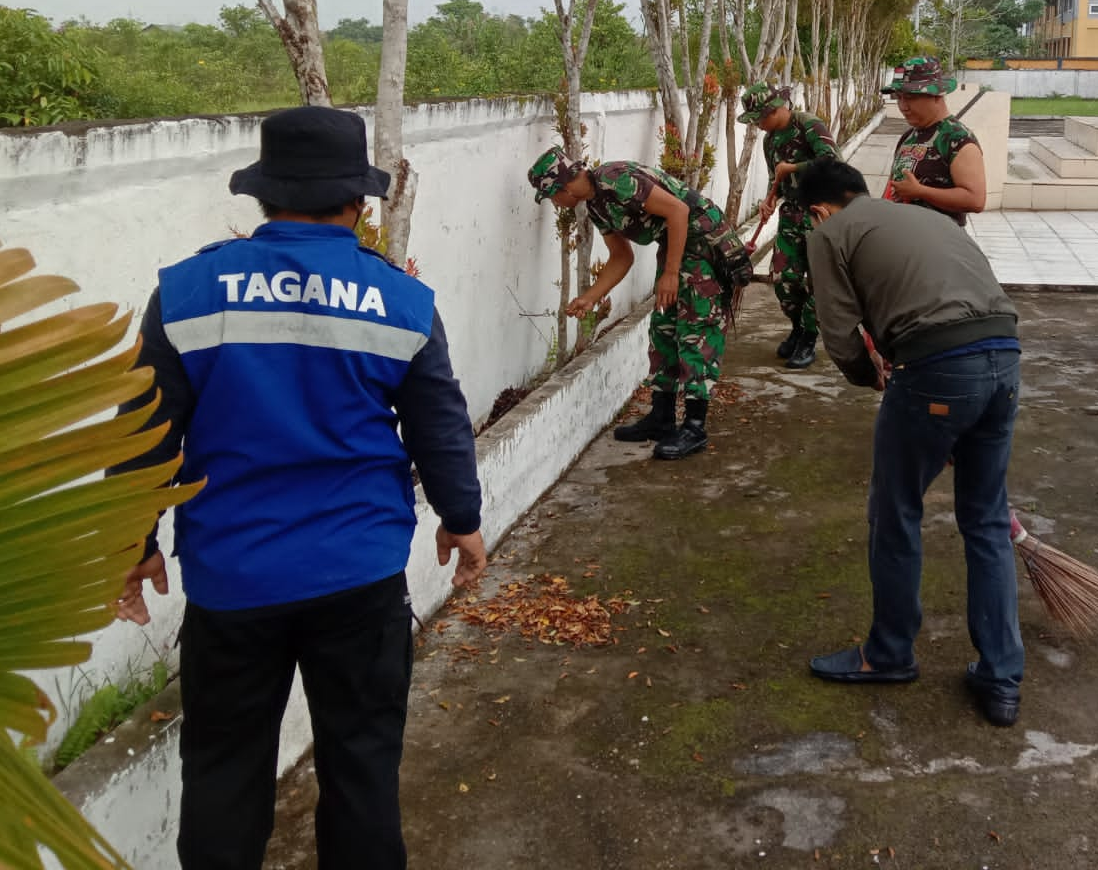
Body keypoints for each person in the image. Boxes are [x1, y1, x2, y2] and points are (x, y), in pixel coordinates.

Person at [111, 106, 487, 870]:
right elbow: (437, 423)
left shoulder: (187, 291)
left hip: (232, 580)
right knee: (362, 768)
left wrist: (134, 540)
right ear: (359, 203)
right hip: (358, 575)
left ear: (262, 196)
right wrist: (461, 518)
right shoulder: (402, 300)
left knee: (222, 772)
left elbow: (146, 430)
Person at [797, 160, 1025, 727]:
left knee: (895, 511)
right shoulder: (927, 218)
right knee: (987, 519)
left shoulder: (828, 233)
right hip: (1005, 359)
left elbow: (839, 331)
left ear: (820, 208)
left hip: (938, 369)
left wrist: (866, 376)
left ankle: (889, 653)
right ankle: (1001, 679)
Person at [527, 146, 751, 460]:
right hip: (676, 247)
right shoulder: (596, 206)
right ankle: (661, 417)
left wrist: (671, 274)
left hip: (703, 244)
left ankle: (695, 426)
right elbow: (622, 257)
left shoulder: (615, 179)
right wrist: (590, 298)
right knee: (664, 329)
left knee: (697, 332)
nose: (555, 204)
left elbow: (678, 211)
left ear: (562, 186)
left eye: (551, 196)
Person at [739, 81, 838, 369]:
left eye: (760, 117)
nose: (758, 124)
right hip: (791, 214)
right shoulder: (770, 141)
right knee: (783, 279)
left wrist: (794, 167)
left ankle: (809, 337)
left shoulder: (809, 125)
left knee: (820, 280)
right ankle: (796, 327)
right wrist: (769, 200)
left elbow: (832, 163)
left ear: (776, 108)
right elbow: (777, 180)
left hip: (821, 213)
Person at [882, 57, 987, 225]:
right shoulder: (909, 136)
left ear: (937, 95)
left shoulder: (959, 139)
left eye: (910, 97)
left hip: (938, 244)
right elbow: (892, 187)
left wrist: (920, 192)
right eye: (899, 97)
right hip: (903, 240)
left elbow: (975, 200)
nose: (903, 106)